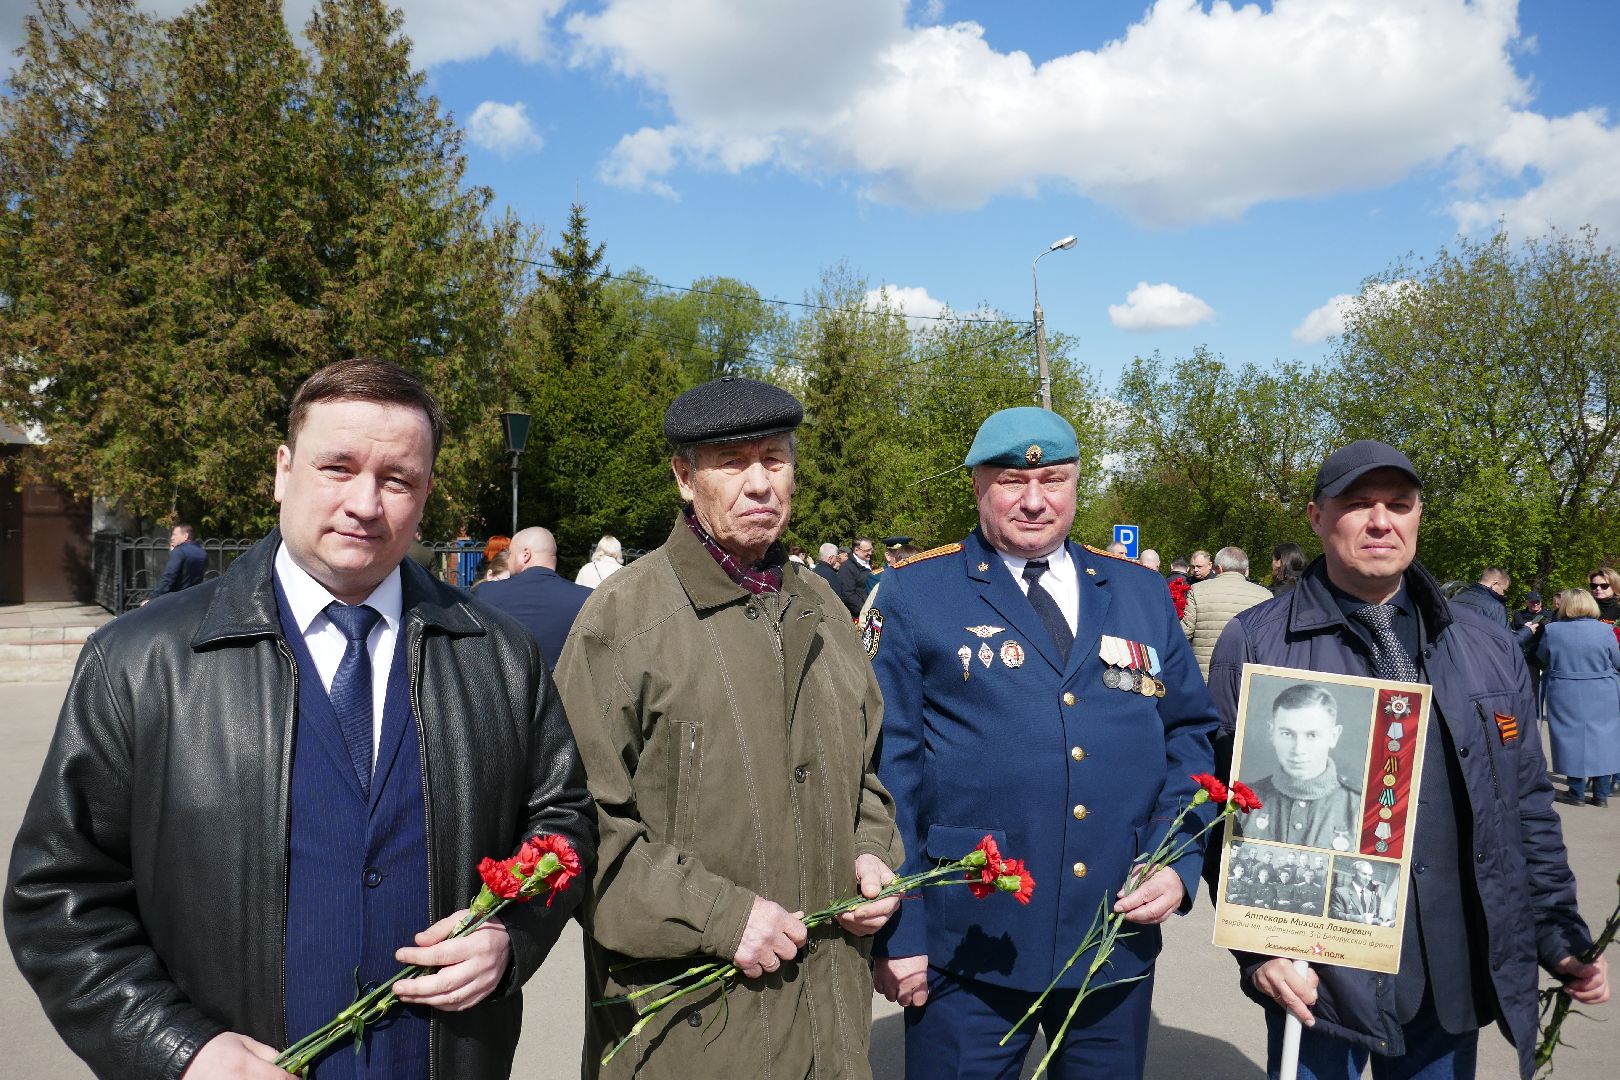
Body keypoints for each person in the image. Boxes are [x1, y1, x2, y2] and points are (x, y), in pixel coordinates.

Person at [4, 358, 596, 1080]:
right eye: (337, 467)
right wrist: (179, 1051)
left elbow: (563, 820)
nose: (364, 504)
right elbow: (58, 895)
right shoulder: (138, 660)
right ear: (283, 471)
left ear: (425, 494)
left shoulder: (499, 655)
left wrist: (512, 938)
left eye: (397, 479)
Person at [1207, 438, 1607, 1080]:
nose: (1380, 521)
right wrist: (1259, 954)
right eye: (1357, 504)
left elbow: (1526, 804)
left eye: (1398, 504)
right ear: (1316, 517)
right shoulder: (1257, 640)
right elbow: (1221, 808)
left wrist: (1558, 932)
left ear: (1419, 516)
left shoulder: (1483, 642)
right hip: (1319, 975)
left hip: (1447, 972)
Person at [554, 376, 903, 1079]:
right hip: (692, 1037)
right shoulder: (621, 622)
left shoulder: (827, 612)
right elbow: (578, 828)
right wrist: (718, 915)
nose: (760, 483)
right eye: (732, 462)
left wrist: (873, 854)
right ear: (685, 479)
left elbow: (868, 772)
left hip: (831, 1030)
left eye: (774, 459)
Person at [869, 406, 1218, 1078]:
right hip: (969, 941)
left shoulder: (1140, 592)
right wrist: (901, 930)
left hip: (1112, 932)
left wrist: (1177, 861)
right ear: (977, 485)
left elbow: (1190, 736)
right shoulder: (916, 593)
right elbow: (891, 768)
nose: (1034, 501)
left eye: (1053, 480)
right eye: (1011, 481)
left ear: (1076, 484)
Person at [1236, 683, 1362, 851]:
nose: (1298, 749)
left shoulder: (1361, 808)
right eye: (1287, 734)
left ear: (1333, 736)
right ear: (1272, 733)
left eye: (1312, 735)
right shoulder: (1242, 802)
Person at [1537, 587, 1620, 808]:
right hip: (1602, 691)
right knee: (1604, 739)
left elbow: (1542, 657)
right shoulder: (1606, 630)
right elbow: (1617, 661)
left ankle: (1576, 793)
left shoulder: (1552, 630)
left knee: (1570, 739)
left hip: (1565, 691)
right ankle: (1601, 795)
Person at [474, 526, 593, 669]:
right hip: (560, 683)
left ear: (525, 555)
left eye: (510, 554)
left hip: (502, 681)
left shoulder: (485, 593)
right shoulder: (588, 598)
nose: (508, 560)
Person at [1180, 545, 1273, 680]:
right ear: (1246, 571)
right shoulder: (1265, 595)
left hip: (1205, 675)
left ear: (1219, 568)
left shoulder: (1197, 590)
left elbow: (1184, 632)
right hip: (1245, 676)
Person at [147, 522, 207, 599]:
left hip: (177, 599)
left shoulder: (179, 551)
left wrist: (152, 598)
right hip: (194, 598)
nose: (172, 538)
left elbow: (169, 576)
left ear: (185, 536)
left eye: (175, 534)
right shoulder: (202, 553)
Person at [1328, 861, 1392, 926]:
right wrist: (1359, 919)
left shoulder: (1372, 896)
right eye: (1364, 874)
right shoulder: (1340, 892)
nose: (1368, 878)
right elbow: (1335, 915)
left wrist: (1381, 923)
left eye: (1370, 875)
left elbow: (1372, 918)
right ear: (1353, 873)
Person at [835, 536, 875, 617]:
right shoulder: (847, 568)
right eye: (867, 550)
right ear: (856, 550)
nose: (870, 553)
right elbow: (848, 595)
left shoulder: (869, 562)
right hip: (860, 614)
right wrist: (866, 611)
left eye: (871, 550)